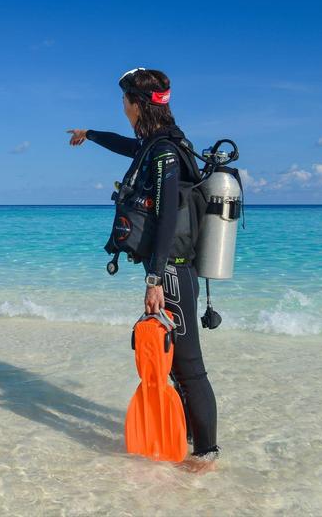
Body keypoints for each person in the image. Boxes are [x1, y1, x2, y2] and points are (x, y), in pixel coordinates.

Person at [67, 68, 219, 461]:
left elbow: (167, 217)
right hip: (168, 268)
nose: (122, 107)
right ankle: (185, 441)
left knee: (189, 369)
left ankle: (206, 456)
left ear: (137, 104)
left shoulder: (165, 152)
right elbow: (126, 145)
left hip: (172, 270)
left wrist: (155, 278)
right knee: (171, 365)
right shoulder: (157, 145)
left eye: (124, 101)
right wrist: (91, 133)